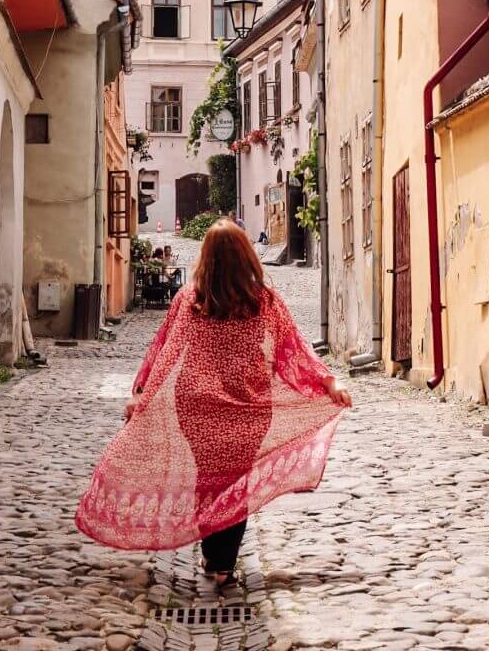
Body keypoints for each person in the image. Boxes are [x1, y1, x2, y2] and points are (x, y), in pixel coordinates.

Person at [75, 218, 351, 586]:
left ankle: (213, 555)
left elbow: (165, 353)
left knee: (207, 479)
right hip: (250, 406)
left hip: (197, 405)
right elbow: (293, 350)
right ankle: (223, 564)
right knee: (236, 484)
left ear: (206, 258)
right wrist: (327, 381)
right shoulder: (264, 301)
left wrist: (142, 396)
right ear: (246, 257)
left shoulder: (190, 299)